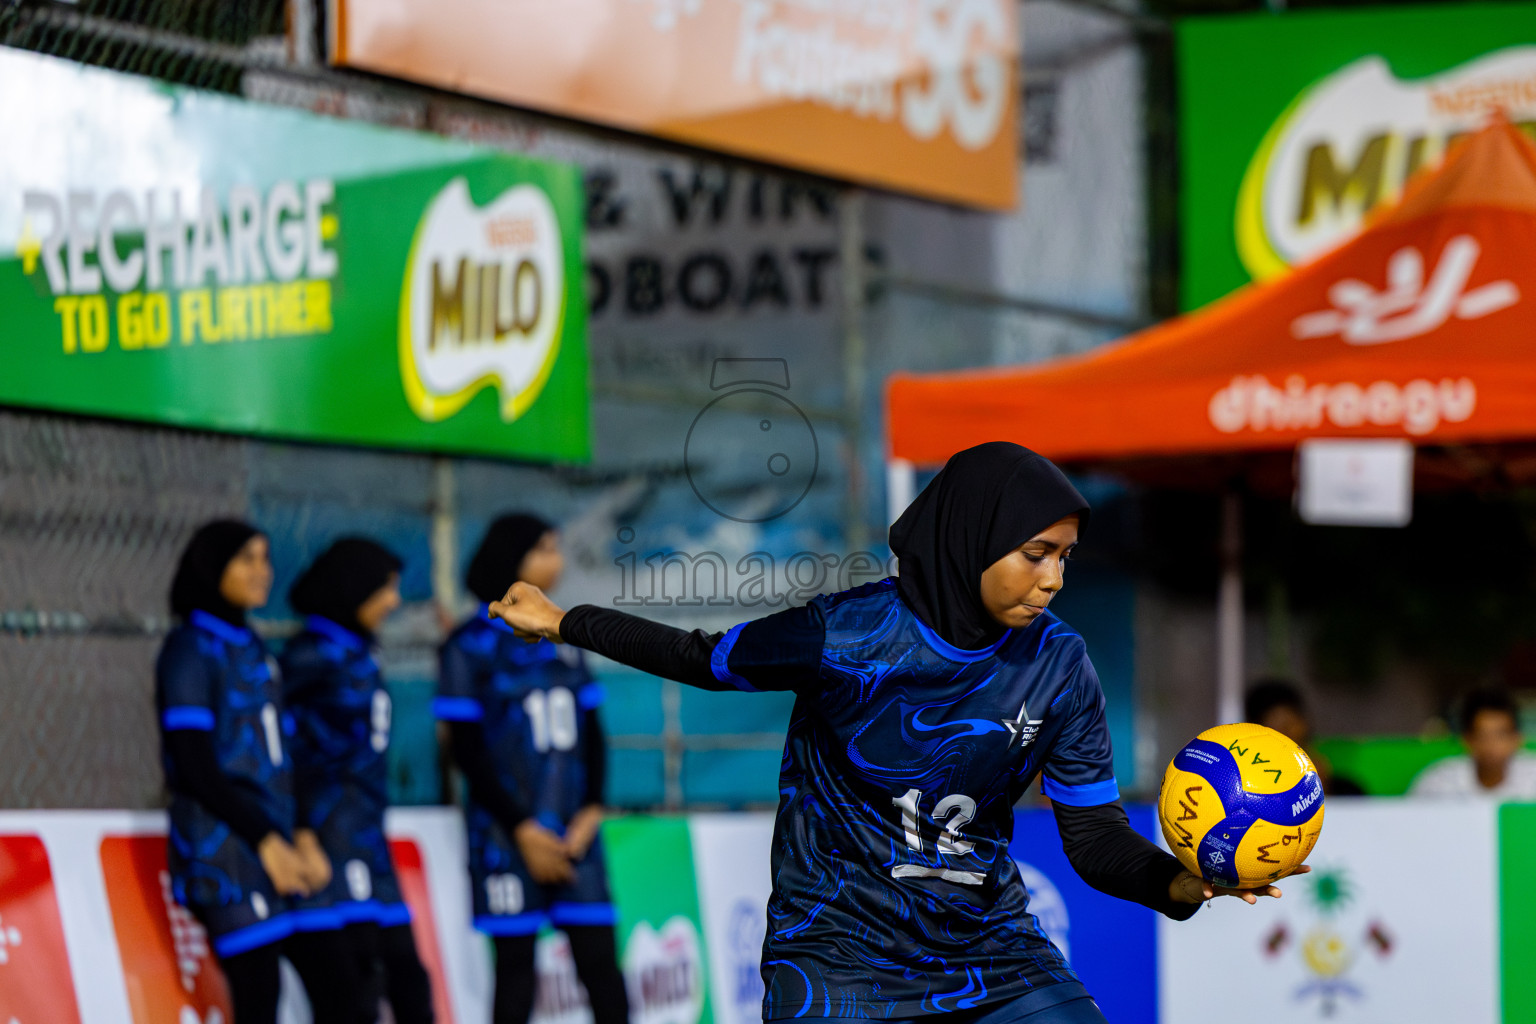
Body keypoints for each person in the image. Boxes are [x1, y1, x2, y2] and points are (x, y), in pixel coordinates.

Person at [487, 444, 1302, 1023]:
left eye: (1066, 556)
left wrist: (1178, 885)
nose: (1054, 577)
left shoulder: (1060, 665)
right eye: (1035, 553)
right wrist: (564, 620)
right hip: (838, 959)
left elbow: (1091, 836)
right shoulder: (844, 635)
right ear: (974, 541)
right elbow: (700, 659)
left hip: (993, 952)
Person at [436, 514, 628, 1024]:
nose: (556, 560)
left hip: (575, 834)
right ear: (511, 560)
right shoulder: (468, 644)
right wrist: (522, 828)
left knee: (602, 968)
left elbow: (594, 735)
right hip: (506, 834)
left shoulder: (566, 636)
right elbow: (467, 749)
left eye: (557, 548)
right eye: (543, 548)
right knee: (515, 972)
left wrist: (591, 810)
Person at [156, 520, 330, 1022]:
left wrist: (299, 832)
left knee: (342, 981)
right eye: (245, 559)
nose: (261, 572)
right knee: (259, 994)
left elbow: (281, 754)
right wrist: (265, 840)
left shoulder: (252, 645)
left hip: (272, 843)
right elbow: (193, 764)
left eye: (265, 558)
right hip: (225, 850)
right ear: (212, 568)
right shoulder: (190, 649)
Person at [282, 538, 436, 1024]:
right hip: (323, 845)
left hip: (368, 845)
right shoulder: (309, 656)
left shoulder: (360, 651)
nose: (394, 601)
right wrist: (301, 831)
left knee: (410, 985)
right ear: (354, 587)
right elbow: (280, 754)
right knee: (350, 998)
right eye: (385, 588)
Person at [1244, 678, 1365, 796]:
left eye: (1289, 725)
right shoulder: (1250, 794)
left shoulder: (1350, 792)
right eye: (1277, 730)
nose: (1286, 737)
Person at [1410, 688, 1536, 799]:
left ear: (1517, 738)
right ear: (1467, 739)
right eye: (1482, 736)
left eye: (1501, 735)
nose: (1491, 744)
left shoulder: (1533, 777)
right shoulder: (1438, 785)